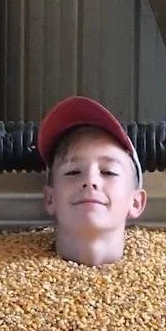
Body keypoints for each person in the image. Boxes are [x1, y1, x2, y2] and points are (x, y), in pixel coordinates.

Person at [37, 96, 147, 266]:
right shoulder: (5, 273)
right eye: (73, 172)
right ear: (50, 199)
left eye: (109, 172)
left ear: (135, 202)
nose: (90, 180)